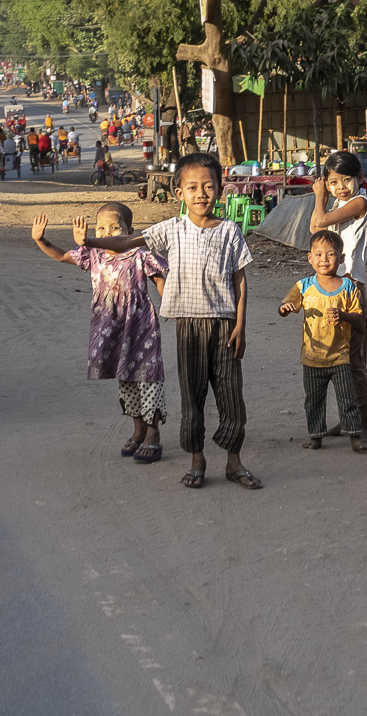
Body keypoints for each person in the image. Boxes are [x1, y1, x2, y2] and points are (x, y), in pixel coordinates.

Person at [82, 153, 261, 490]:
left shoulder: (230, 231)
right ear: (179, 193)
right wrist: (92, 241)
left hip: (224, 326)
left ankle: (234, 462)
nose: (201, 194)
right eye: (192, 187)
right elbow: (126, 242)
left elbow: (240, 278)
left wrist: (241, 324)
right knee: (192, 398)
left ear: (221, 190)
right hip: (189, 327)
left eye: (209, 187)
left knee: (231, 396)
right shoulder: (171, 230)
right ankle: (197, 460)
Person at [31, 205, 169, 463]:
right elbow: (62, 256)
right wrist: (41, 239)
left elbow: (161, 281)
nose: (107, 233)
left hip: (141, 327)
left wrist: (171, 305)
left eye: (115, 228)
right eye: (101, 228)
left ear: (129, 231)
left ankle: (153, 433)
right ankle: (138, 428)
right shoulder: (93, 255)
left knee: (148, 376)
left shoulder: (140, 256)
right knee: (125, 377)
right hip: (112, 328)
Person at [308, 151, 367, 445]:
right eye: (333, 182)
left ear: (360, 179)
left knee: (355, 359)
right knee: (335, 359)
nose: (341, 186)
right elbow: (314, 228)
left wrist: (320, 194)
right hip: (330, 287)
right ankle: (349, 418)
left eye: (346, 179)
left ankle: (366, 422)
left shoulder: (359, 203)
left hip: (351, 287)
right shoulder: (337, 204)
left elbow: (318, 220)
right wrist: (323, 197)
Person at [279, 229, 367, 452]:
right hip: (312, 357)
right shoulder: (304, 286)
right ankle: (316, 436)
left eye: (330, 254)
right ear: (310, 258)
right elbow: (286, 305)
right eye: (318, 254)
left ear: (341, 258)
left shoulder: (349, 287)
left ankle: (354, 436)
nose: (324, 259)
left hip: (340, 356)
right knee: (314, 401)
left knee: (347, 399)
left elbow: (360, 321)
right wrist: (285, 308)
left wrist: (344, 316)